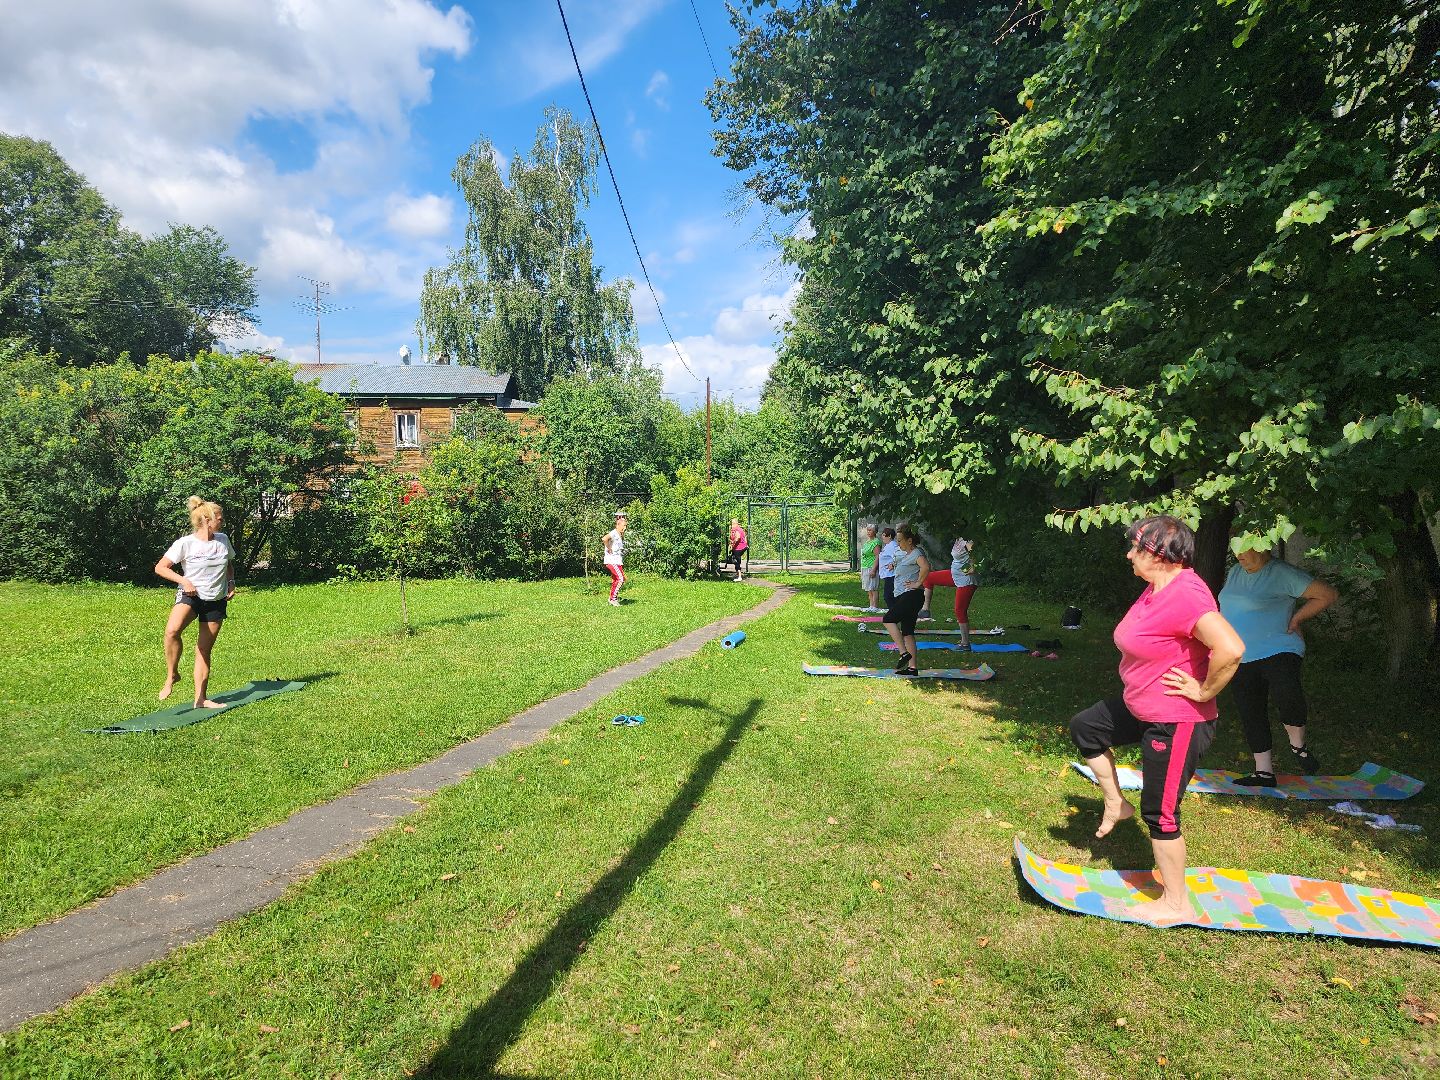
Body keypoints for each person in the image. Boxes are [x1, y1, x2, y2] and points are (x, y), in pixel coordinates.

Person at [1068, 515, 1245, 924]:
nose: (1129, 555)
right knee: (1086, 727)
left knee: (1162, 813)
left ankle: (1176, 902)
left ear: (1160, 555)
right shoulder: (1156, 589)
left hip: (1177, 719)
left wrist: (1203, 691)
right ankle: (1115, 802)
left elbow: (1231, 648)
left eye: (1136, 548)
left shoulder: (1187, 594)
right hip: (1141, 706)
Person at [1219, 543, 1338, 785]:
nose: (1238, 554)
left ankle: (1298, 745)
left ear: (1262, 547)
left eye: (1244, 548)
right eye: (1234, 548)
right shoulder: (1235, 572)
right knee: (1250, 711)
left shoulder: (1282, 573)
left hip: (1279, 648)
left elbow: (1328, 594)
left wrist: (1297, 618)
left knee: (1287, 694)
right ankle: (1264, 772)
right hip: (1240, 654)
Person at [155, 496, 237, 709]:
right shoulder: (185, 543)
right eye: (219, 518)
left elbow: (228, 564)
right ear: (207, 520)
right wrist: (184, 580)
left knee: (203, 650)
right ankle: (172, 674)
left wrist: (231, 583)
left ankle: (201, 699)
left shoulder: (223, 540)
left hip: (216, 600)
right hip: (191, 596)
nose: (222, 521)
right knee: (172, 631)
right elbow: (161, 567)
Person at [882, 524, 932, 675]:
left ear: (909, 540)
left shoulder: (917, 552)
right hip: (905, 595)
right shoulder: (907, 554)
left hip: (911, 595)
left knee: (888, 619)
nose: (898, 544)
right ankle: (912, 668)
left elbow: (926, 567)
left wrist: (917, 583)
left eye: (900, 540)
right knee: (908, 632)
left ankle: (903, 653)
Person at [920, 535, 977, 644]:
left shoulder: (969, 541)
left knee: (959, 610)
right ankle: (925, 610)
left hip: (965, 580)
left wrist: (967, 569)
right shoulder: (959, 539)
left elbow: (974, 558)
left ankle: (965, 643)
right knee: (928, 578)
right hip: (954, 575)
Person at [603, 511, 627, 606]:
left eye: (625, 526)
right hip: (612, 561)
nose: (624, 528)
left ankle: (612, 598)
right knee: (621, 579)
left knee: (616, 580)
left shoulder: (619, 534)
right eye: (623, 526)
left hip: (617, 561)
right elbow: (604, 539)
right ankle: (613, 599)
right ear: (618, 525)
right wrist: (608, 548)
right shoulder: (614, 533)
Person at [858, 523, 881, 610]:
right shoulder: (867, 542)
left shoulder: (876, 542)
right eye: (867, 530)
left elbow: (877, 556)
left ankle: (875, 606)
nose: (868, 532)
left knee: (873, 587)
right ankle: (871, 605)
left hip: (871, 566)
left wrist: (874, 569)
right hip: (865, 566)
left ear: (874, 531)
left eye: (870, 530)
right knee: (868, 588)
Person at [877, 526, 900, 609]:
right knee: (889, 596)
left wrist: (893, 564)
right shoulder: (888, 546)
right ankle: (895, 611)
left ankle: (894, 612)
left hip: (891, 574)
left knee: (888, 596)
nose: (882, 537)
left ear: (889, 536)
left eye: (883, 535)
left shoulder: (892, 546)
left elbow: (899, 556)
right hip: (887, 574)